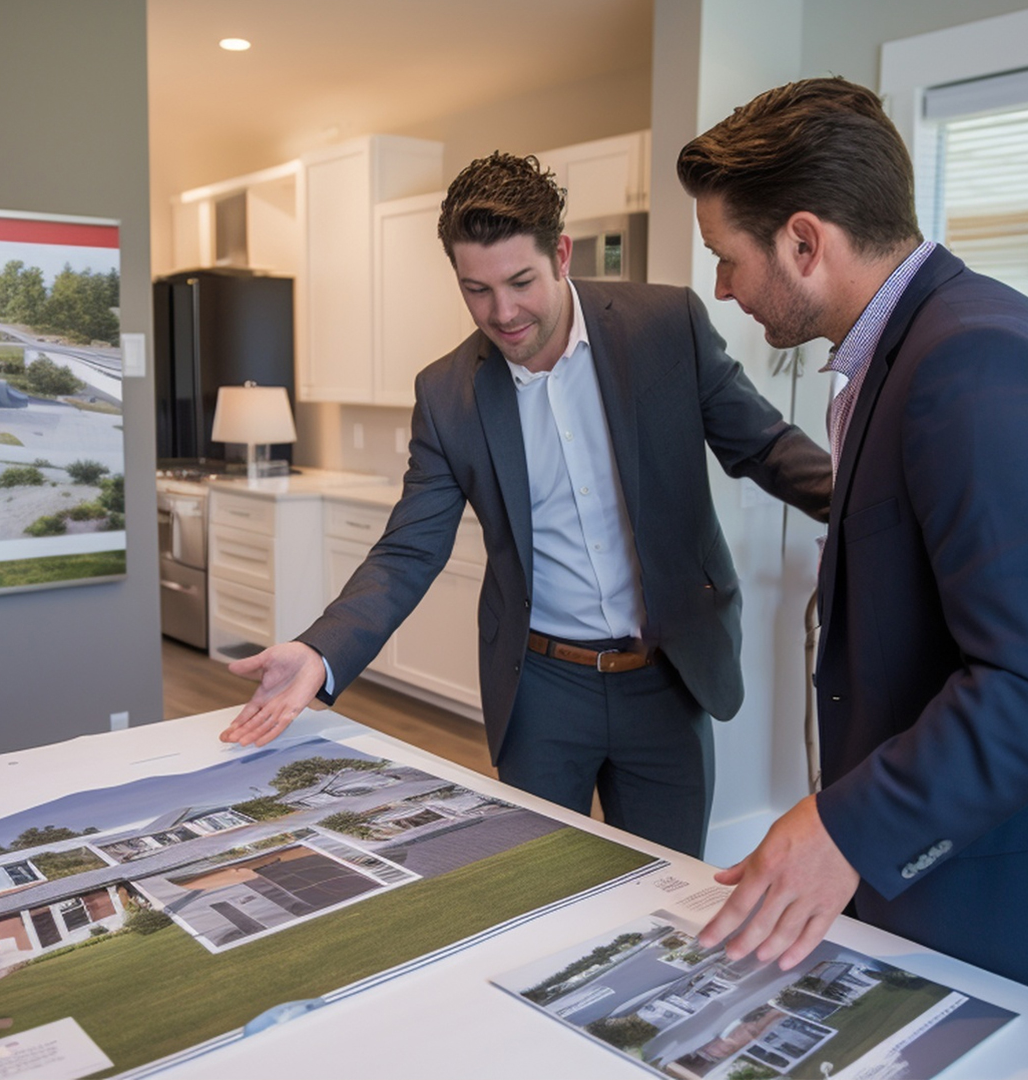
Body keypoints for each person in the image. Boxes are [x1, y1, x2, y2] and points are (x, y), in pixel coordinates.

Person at [220, 151, 831, 857]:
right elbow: (409, 548)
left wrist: (877, 506)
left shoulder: (666, 325)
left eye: (520, 282)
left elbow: (765, 447)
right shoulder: (447, 394)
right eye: (476, 290)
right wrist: (320, 650)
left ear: (561, 255)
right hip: (541, 689)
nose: (502, 313)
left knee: (670, 883)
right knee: (536, 879)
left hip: (668, 677)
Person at [676, 76, 1028, 984]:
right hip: (915, 876)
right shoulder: (901, 349)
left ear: (804, 242)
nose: (722, 287)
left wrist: (846, 829)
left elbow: (1022, 680)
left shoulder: (968, 359)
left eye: (726, 257)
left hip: (978, 893)